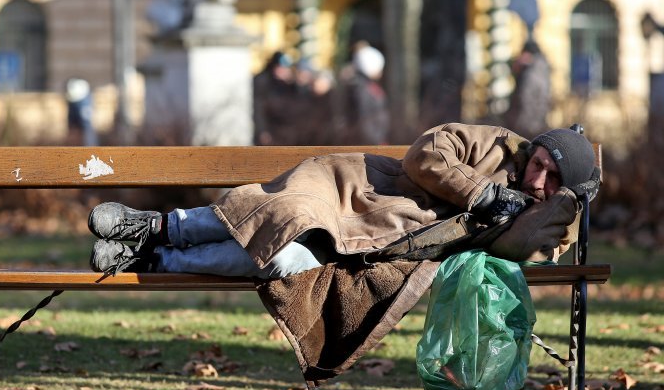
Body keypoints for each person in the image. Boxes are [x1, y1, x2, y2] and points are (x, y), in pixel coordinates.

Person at [87, 123, 601, 279]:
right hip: (354, 185)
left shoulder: (543, 212)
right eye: (538, 163)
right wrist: (481, 191)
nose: (538, 178)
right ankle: (154, 227)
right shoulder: (495, 146)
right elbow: (425, 155)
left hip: (378, 241)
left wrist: (562, 205)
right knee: (280, 212)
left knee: (283, 260)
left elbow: (524, 247)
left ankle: (154, 259)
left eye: (553, 178)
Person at [338, 45, 389, 145]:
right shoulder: (362, 89)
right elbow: (364, 119)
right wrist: (375, 142)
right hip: (369, 143)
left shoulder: (363, 86)